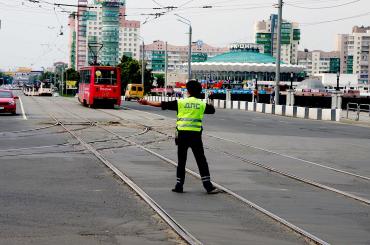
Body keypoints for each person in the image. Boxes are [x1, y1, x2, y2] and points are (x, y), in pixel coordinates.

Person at [138, 80, 220, 194]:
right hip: (196, 136)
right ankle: (208, 186)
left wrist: (146, 102)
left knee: (182, 161)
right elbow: (212, 110)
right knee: (201, 160)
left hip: (182, 135)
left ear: (188, 91)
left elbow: (162, 104)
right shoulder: (201, 104)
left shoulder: (181, 103)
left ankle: (179, 185)